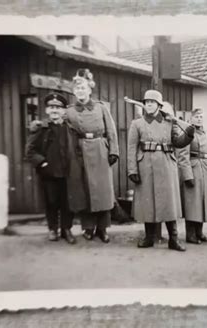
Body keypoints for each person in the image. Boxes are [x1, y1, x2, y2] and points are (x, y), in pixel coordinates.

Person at [127, 90, 195, 251]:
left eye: (152, 102)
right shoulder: (137, 124)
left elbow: (178, 142)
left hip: (166, 164)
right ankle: (149, 238)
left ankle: (173, 239)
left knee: (169, 204)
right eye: (147, 102)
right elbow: (131, 148)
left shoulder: (169, 122)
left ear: (159, 105)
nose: (149, 105)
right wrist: (132, 170)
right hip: (145, 166)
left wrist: (187, 132)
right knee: (147, 203)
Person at [65, 68, 119, 243]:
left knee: (103, 191)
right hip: (80, 153)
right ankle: (88, 228)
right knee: (85, 191)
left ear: (90, 89)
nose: (80, 91)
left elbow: (111, 130)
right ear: (74, 91)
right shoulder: (70, 111)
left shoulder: (101, 107)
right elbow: (59, 123)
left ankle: (102, 229)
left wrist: (113, 151)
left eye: (83, 88)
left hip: (100, 150)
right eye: (77, 89)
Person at [25, 93, 76, 244]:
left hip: (67, 172)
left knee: (67, 202)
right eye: (51, 107)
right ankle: (53, 229)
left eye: (58, 108)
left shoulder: (69, 129)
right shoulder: (41, 128)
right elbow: (30, 151)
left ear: (64, 111)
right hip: (48, 173)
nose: (54, 110)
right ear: (47, 110)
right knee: (51, 202)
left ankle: (66, 230)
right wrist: (43, 163)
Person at [177, 108, 207, 244]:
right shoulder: (188, 131)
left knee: (203, 202)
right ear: (191, 118)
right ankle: (190, 235)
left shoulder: (206, 132)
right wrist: (187, 175)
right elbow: (183, 156)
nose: (199, 119)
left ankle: (199, 233)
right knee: (192, 204)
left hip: (206, 169)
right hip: (193, 169)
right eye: (197, 116)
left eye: (201, 116)